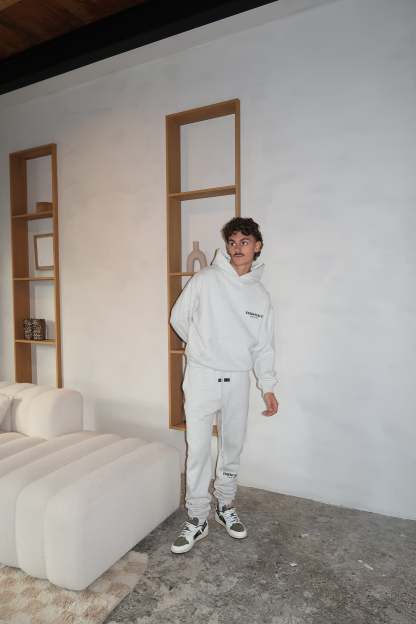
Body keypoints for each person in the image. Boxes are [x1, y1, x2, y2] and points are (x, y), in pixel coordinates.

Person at [169, 216, 279, 554]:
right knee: (199, 449)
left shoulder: (260, 295)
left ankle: (225, 505)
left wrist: (267, 386)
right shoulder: (205, 279)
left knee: (232, 446)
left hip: (237, 379)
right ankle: (197, 517)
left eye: (244, 242)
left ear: (257, 246)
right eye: (232, 242)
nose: (237, 248)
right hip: (202, 376)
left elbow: (263, 346)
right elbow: (178, 318)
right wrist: (202, 348)